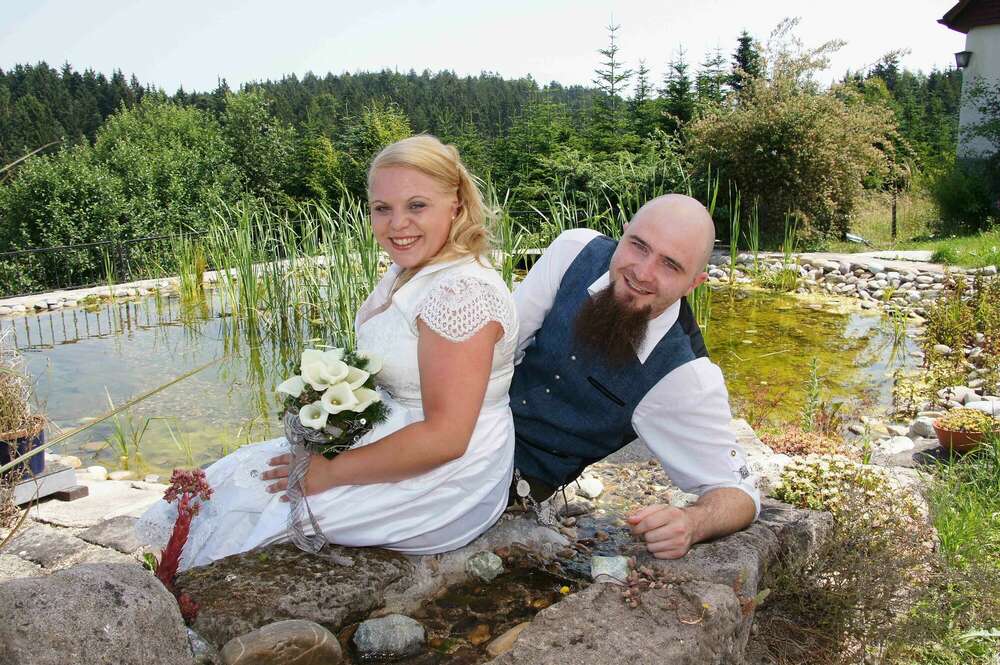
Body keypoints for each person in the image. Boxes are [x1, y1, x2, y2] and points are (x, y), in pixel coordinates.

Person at [137, 135, 518, 570]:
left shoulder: (460, 292)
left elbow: (447, 437)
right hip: (396, 438)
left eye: (417, 206)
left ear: (455, 204)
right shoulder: (410, 270)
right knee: (234, 480)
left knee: (258, 509)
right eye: (382, 208)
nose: (397, 225)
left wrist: (329, 471)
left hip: (445, 477)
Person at [510, 194, 759, 560]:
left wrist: (693, 522)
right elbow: (496, 350)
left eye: (670, 265)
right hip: (462, 427)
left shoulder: (684, 375)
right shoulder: (572, 251)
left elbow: (741, 492)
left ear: (695, 283)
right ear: (623, 233)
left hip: (514, 485)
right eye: (638, 245)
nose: (642, 272)